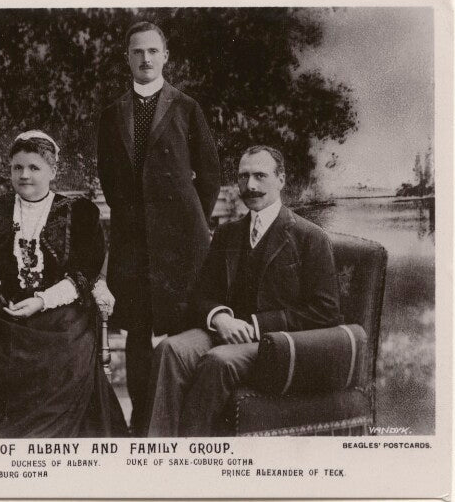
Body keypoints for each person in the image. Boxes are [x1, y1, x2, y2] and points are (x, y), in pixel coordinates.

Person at [0, 131, 127, 438]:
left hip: (58, 308)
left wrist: (42, 300)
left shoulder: (79, 213)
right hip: (1, 305)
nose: (24, 175)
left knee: (62, 350)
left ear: (53, 171)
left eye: (34, 168)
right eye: (17, 167)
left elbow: (83, 274)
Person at [146, 146, 343, 436]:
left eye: (260, 176)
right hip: (223, 331)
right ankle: (160, 451)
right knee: (169, 349)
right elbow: (200, 294)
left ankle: (191, 457)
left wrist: (254, 326)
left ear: (281, 180)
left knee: (219, 361)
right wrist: (220, 318)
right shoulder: (228, 233)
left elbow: (326, 311)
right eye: (243, 177)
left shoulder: (309, 237)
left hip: (273, 344)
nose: (250, 186)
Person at [96, 21, 221, 435]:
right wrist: (136, 219)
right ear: (127, 58)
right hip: (133, 242)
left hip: (184, 244)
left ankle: (186, 420)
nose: (145, 59)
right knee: (136, 332)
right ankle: (140, 423)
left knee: (187, 325)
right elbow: (109, 178)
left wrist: (188, 223)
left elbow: (211, 174)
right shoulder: (112, 114)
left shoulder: (186, 107)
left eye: (153, 51)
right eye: (137, 52)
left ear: (165, 56)